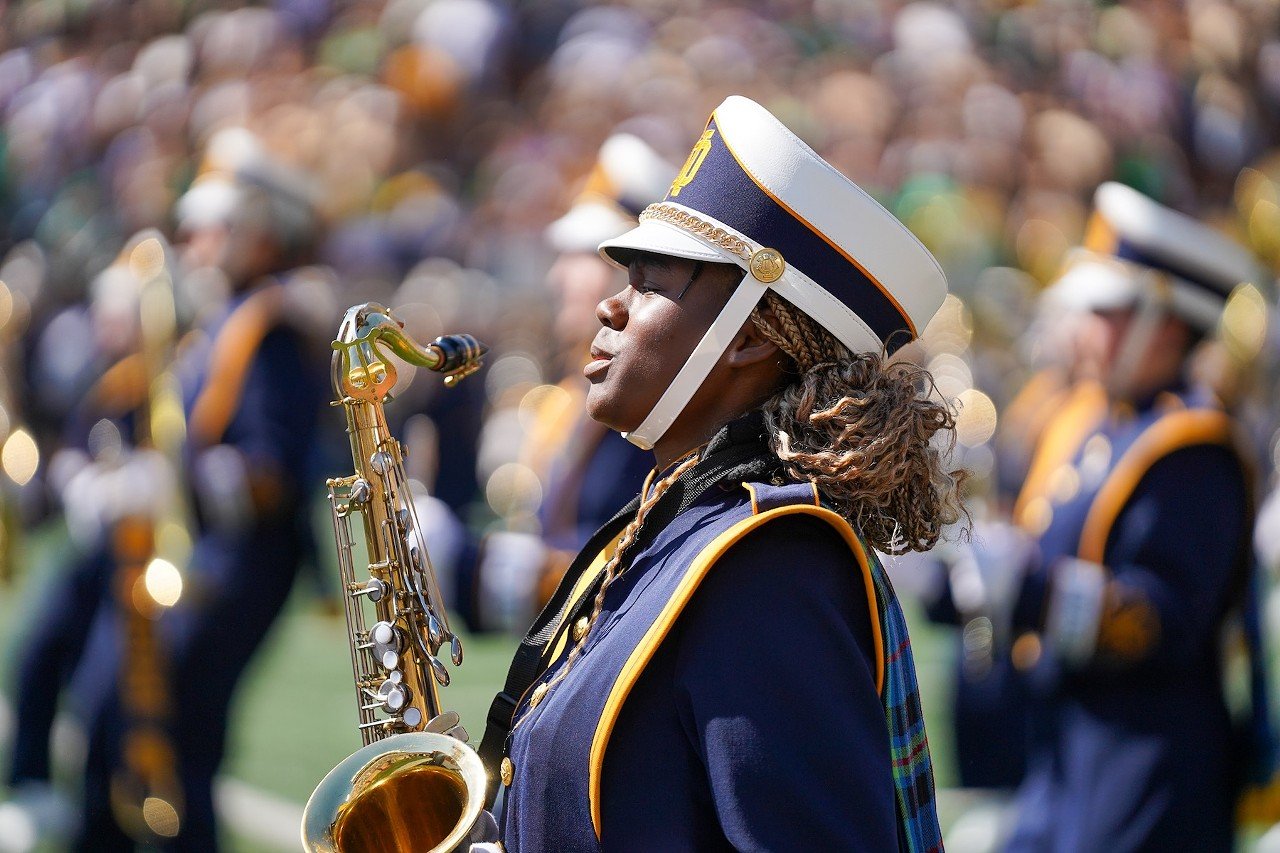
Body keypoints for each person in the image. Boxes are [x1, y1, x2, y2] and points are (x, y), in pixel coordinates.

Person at [476, 95, 963, 851]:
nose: (610, 305)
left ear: (747, 339)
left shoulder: (771, 568)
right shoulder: (673, 522)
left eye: (648, 280)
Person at [991, 182, 1266, 851]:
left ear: (1165, 323)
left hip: (1147, 766)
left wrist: (1025, 591)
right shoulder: (1092, 418)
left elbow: (1159, 619)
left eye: (1105, 311)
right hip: (1063, 747)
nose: (1083, 330)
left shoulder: (1192, 447)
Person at [470, 132, 672, 631]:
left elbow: (648, 553)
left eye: (582, 256)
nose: (559, 276)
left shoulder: (656, 395)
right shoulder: (575, 386)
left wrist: (476, 564)